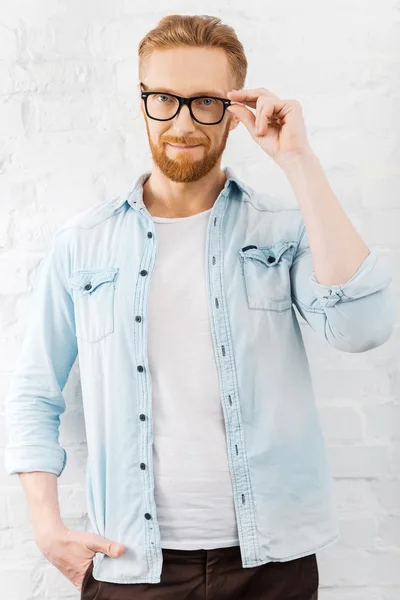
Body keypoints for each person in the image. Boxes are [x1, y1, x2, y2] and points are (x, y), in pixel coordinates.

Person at [4, 13, 395, 600]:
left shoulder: (281, 231)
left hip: (271, 566)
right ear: (141, 101)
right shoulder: (82, 245)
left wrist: (298, 160)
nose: (183, 122)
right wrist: (45, 527)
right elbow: (37, 392)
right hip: (132, 565)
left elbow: (362, 328)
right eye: (164, 98)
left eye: (206, 102)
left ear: (234, 111)